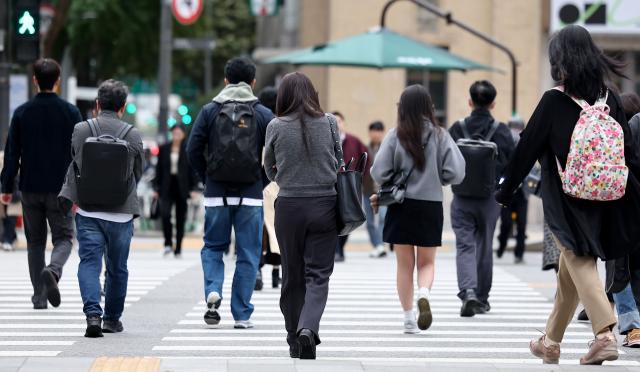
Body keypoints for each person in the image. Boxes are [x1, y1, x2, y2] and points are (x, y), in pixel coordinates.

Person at [496, 25, 640, 364]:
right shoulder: (612, 99)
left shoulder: (554, 100)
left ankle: (604, 333)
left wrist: (505, 190)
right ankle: (550, 342)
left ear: (559, 59)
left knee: (578, 258)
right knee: (569, 274)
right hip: (607, 195)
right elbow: (628, 152)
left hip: (565, 197)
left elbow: (526, 147)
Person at [370, 84, 465, 334]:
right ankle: (424, 293)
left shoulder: (395, 135)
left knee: (404, 264)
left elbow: (378, 172)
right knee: (427, 263)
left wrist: (395, 177)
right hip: (430, 205)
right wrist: (438, 177)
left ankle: (408, 318)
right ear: (428, 107)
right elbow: (456, 172)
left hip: (401, 205)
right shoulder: (441, 135)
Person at [187, 57, 273, 329]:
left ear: (225, 81)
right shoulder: (262, 113)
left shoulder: (210, 111)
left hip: (216, 193)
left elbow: (192, 149)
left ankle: (213, 289)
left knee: (213, 246)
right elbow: (275, 154)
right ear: (253, 82)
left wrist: (207, 178)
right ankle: (242, 314)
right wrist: (261, 180)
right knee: (248, 253)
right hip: (250, 194)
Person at [59, 79, 144, 338]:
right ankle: (112, 319)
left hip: (88, 210)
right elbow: (137, 173)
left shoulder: (81, 130)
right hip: (121, 212)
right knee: (118, 268)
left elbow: (76, 162)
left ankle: (93, 315)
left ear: (97, 104)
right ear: (123, 107)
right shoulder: (133, 134)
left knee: (89, 263)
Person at [264, 72, 339, 360]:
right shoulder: (330, 122)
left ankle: (294, 337)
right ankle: (309, 328)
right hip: (325, 204)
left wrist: (283, 178)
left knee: (292, 274)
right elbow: (339, 159)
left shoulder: (275, 126)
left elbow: (268, 166)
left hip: (290, 207)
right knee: (318, 275)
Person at [0, 58, 81, 309]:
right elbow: (79, 154)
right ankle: (53, 271)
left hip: (30, 186)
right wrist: (78, 190)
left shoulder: (22, 112)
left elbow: (12, 153)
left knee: (34, 242)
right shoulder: (71, 113)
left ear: (35, 81)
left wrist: (5, 188)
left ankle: (39, 297)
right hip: (61, 188)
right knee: (65, 238)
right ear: (57, 81)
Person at [449, 80, 515, 317]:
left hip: (461, 196)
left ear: (469, 102)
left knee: (465, 245)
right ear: (493, 103)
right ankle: (483, 298)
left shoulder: (456, 128)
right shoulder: (501, 130)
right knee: (484, 246)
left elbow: (445, 159)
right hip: (490, 199)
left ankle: (468, 292)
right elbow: (512, 162)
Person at [153, 124, 197, 258]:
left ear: (183, 134)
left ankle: (178, 248)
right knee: (165, 215)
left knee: (180, 219)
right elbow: (158, 170)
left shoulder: (188, 149)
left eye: (179, 133)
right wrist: (156, 188)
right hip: (166, 187)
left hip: (182, 188)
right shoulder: (164, 148)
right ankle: (167, 244)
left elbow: (192, 171)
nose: (176, 135)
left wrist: (194, 188)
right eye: (174, 133)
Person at [332, 111, 368, 263]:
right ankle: (336, 250)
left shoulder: (354, 141)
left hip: (348, 186)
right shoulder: (325, 140)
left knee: (347, 217)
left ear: (343, 123)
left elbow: (366, 158)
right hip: (331, 184)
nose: (337, 123)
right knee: (332, 218)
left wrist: (359, 178)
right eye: (334, 121)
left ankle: (340, 249)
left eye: (339, 121)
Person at [256, 86, 281, 291]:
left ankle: (257, 269)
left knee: (260, 228)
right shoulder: (282, 122)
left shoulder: (257, 119)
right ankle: (276, 272)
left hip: (259, 181)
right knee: (278, 227)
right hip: (279, 181)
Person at [497, 118, 529, 263]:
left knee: (522, 224)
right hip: (508, 189)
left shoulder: (528, 141)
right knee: (506, 222)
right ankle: (502, 244)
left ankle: (519, 253)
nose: (516, 130)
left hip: (523, 191)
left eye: (519, 127)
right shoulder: (505, 143)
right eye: (514, 127)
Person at [362, 121, 388, 258]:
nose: (376, 134)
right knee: (370, 221)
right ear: (370, 132)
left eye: (379, 131)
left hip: (383, 191)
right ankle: (377, 245)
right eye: (373, 131)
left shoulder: (387, 148)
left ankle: (380, 245)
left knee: (383, 217)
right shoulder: (365, 149)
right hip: (367, 190)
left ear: (382, 132)